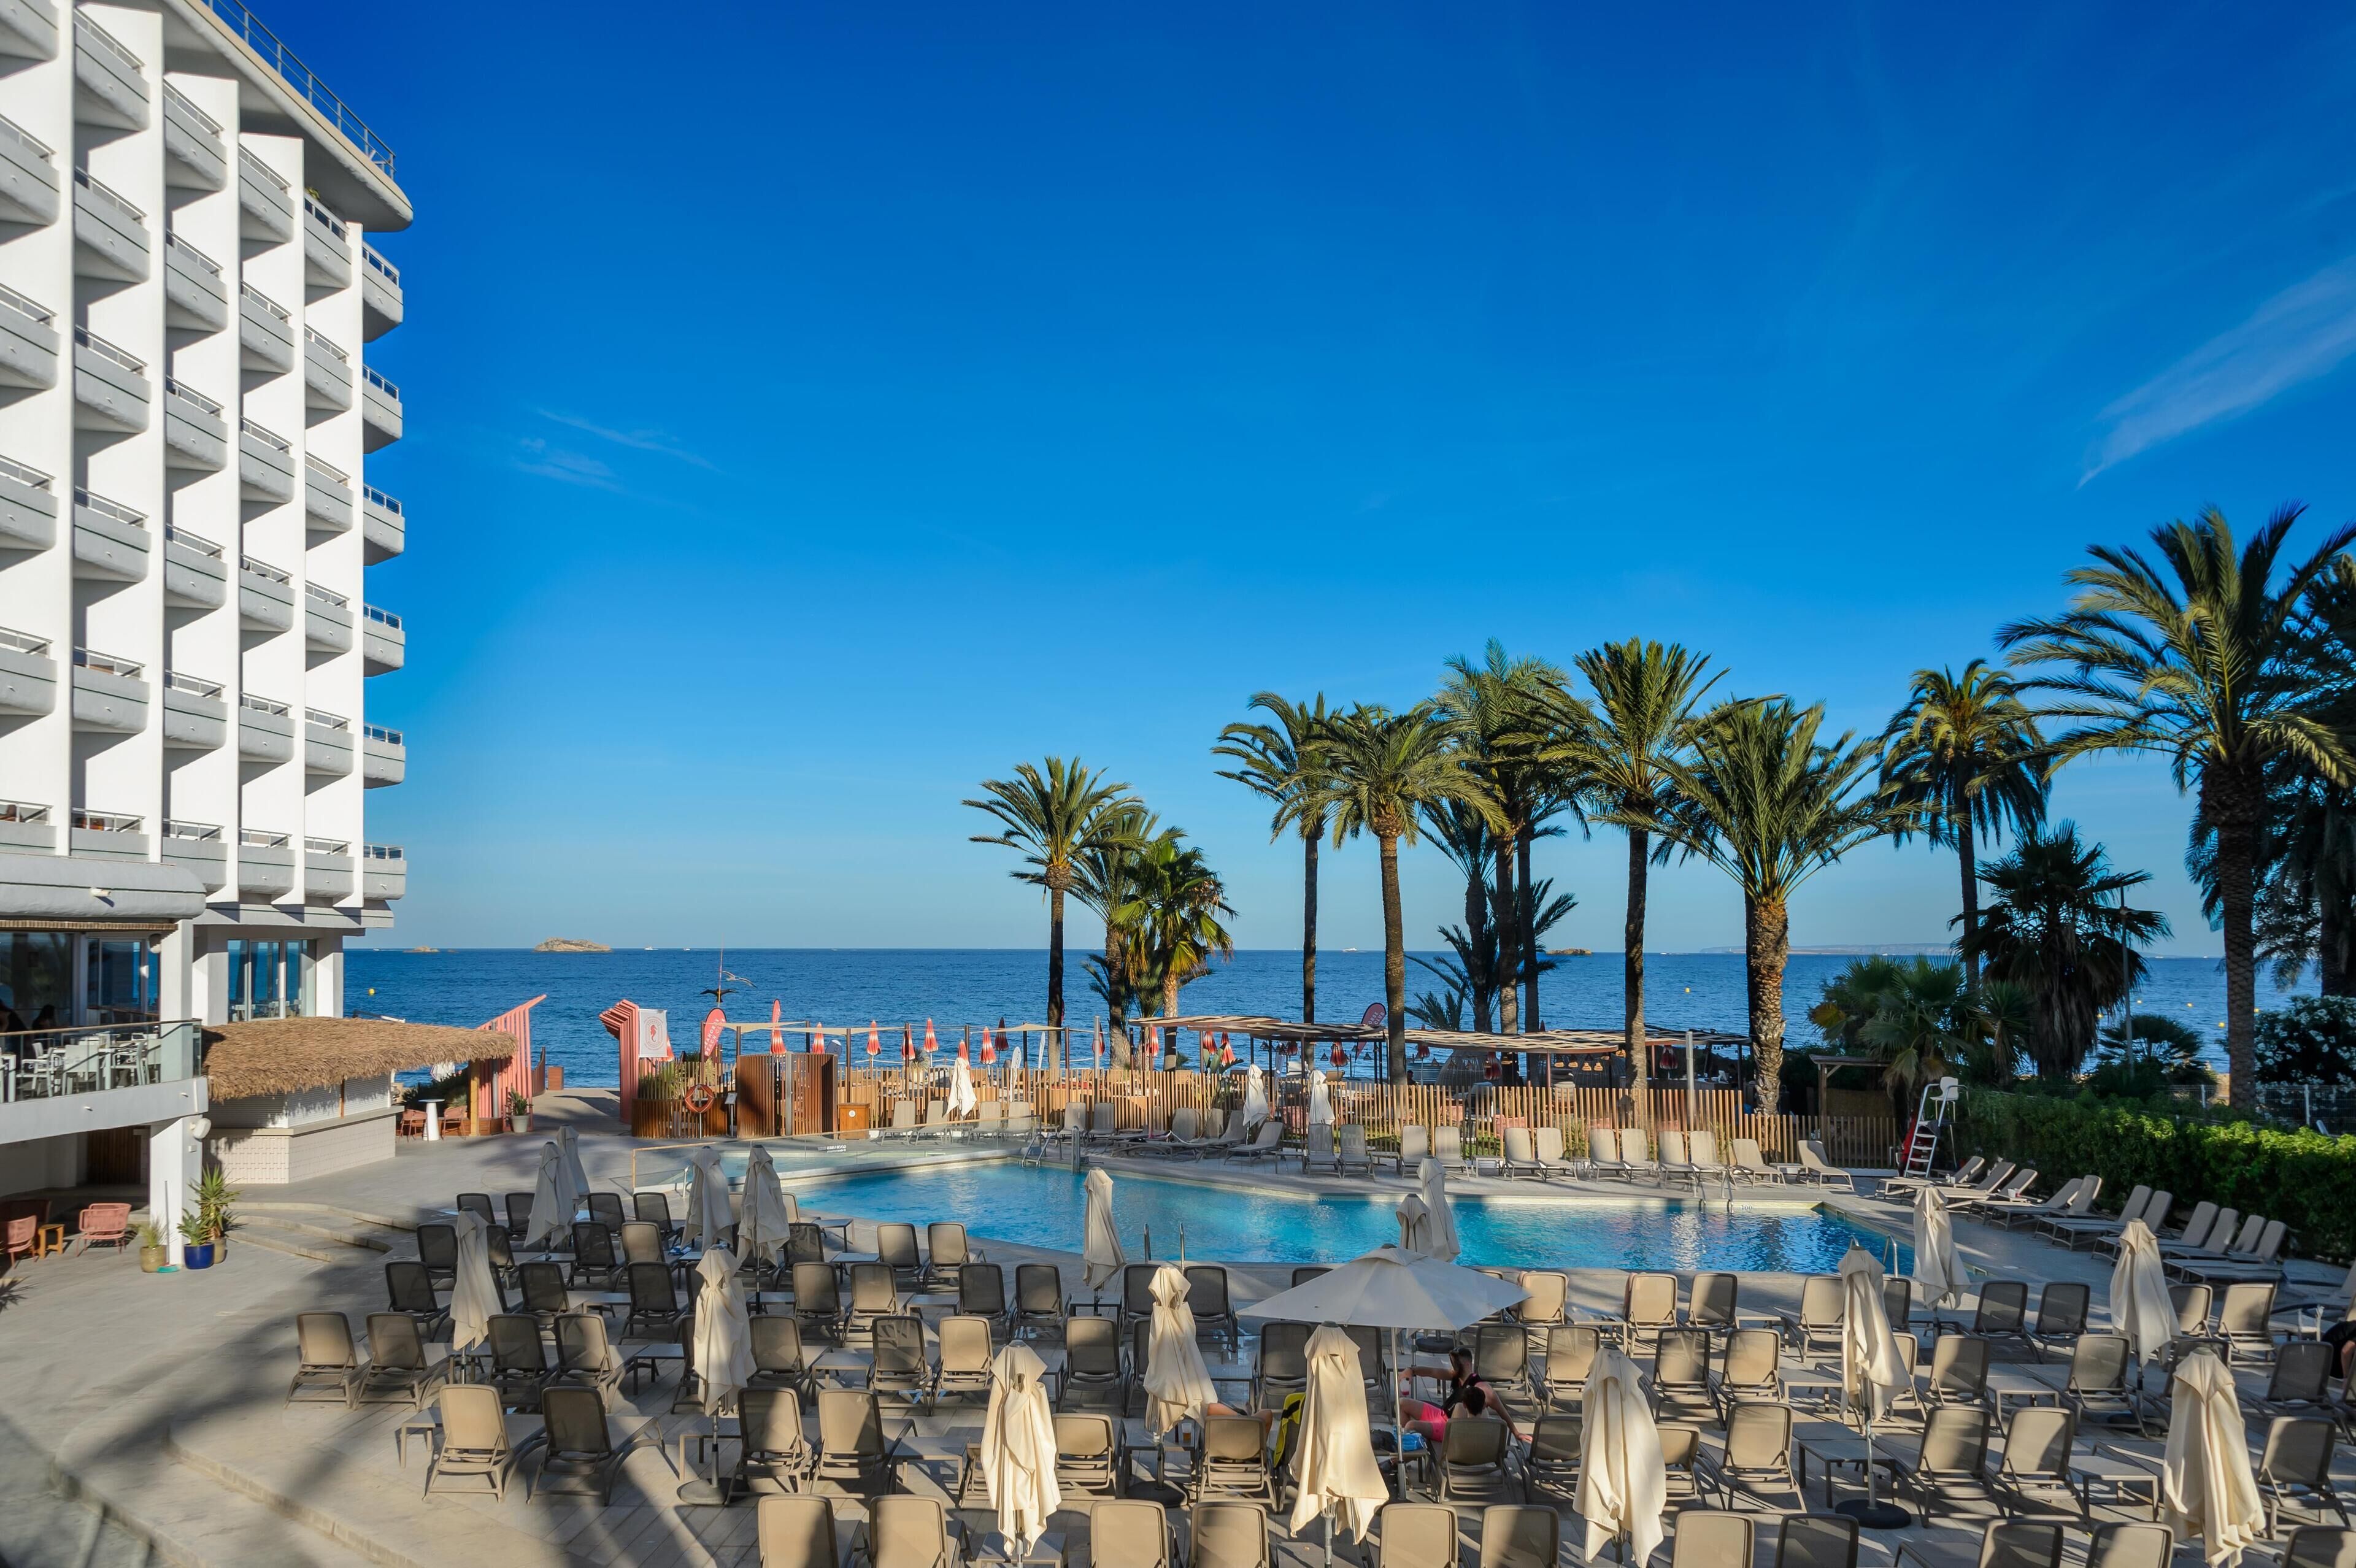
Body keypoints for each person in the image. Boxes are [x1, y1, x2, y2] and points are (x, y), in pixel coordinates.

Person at [1398, 1345, 1516, 1443]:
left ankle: (1401, 1459)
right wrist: (1411, 1370)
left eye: (1456, 1365)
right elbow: (1432, 1372)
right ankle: (1405, 1450)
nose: (1453, 1368)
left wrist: (1516, 1432)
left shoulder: (1482, 1388)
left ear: (1467, 1364)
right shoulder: (1456, 1375)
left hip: (1449, 1427)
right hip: (1441, 1414)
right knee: (1402, 1404)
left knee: (1411, 1425)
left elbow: (1502, 1411)